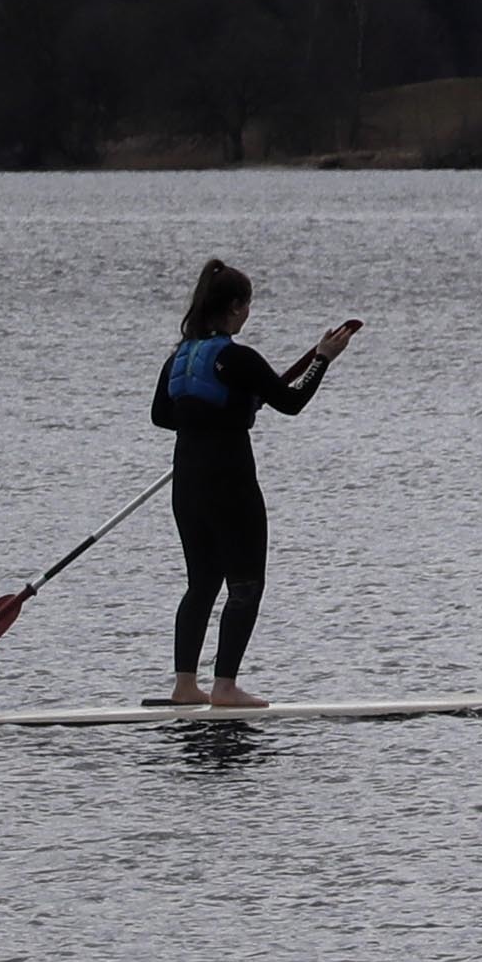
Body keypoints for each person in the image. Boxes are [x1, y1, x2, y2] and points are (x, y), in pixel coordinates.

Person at [151, 258, 361, 708]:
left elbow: (162, 416)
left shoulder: (179, 357)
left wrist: (230, 409)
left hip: (187, 484)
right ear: (233, 307)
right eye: (247, 306)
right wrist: (322, 359)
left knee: (202, 584)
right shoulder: (237, 357)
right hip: (230, 485)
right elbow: (290, 402)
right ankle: (225, 687)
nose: (248, 314)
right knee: (245, 585)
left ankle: (185, 685)